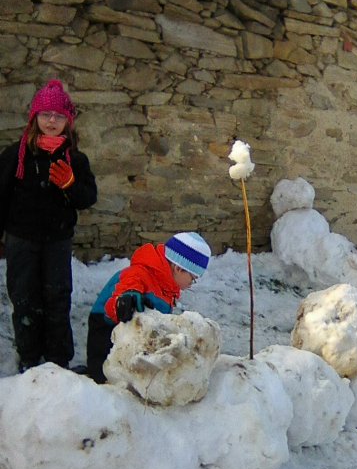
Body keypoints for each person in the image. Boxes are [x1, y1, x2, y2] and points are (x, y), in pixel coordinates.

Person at [0, 79, 97, 372]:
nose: (51, 121)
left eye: (58, 116)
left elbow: (87, 197)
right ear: (35, 117)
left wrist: (71, 184)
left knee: (57, 297)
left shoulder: (75, 159)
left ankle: (58, 359)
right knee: (24, 297)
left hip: (57, 240)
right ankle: (29, 356)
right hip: (21, 240)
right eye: (45, 115)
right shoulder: (16, 155)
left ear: (68, 121)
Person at [86, 231, 211, 384]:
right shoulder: (140, 273)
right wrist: (126, 299)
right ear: (179, 268)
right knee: (106, 380)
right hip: (106, 329)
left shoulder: (168, 284)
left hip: (131, 335)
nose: (191, 284)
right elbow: (125, 290)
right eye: (193, 278)